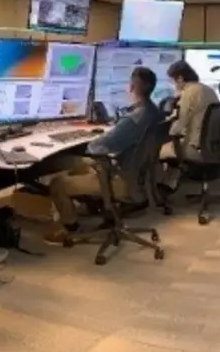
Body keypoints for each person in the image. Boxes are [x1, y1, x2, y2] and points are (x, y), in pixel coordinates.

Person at [43, 67, 161, 245]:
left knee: (58, 183)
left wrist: (88, 140)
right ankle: (99, 210)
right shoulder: (153, 112)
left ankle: (71, 230)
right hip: (137, 177)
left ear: (132, 86)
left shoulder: (132, 120)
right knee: (80, 168)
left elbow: (96, 148)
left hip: (121, 180)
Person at [158, 60, 220, 192]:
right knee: (174, 144)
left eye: (173, 81)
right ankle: (170, 183)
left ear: (180, 78)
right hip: (212, 146)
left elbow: (179, 124)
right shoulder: (208, 90)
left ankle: (158, 188)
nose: (174, 86)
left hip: (195, 148)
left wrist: (163, 129)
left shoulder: (189, 92)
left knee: (156, 149)